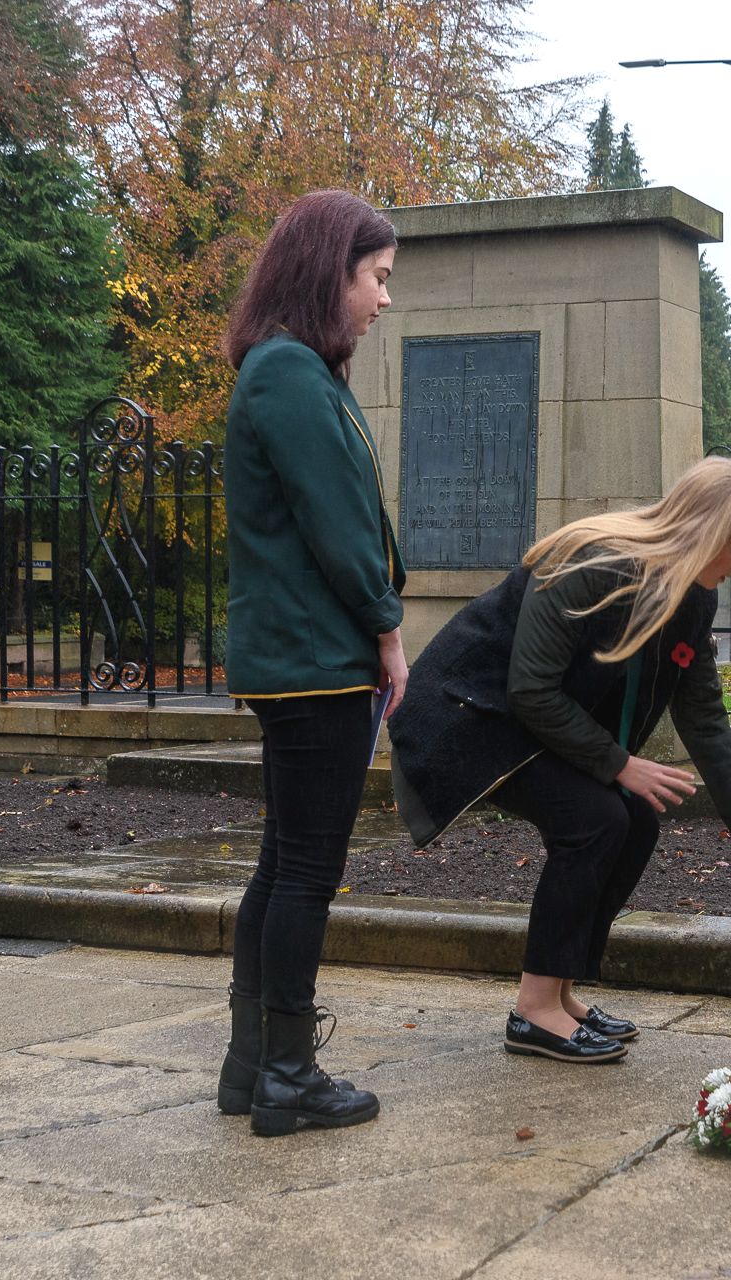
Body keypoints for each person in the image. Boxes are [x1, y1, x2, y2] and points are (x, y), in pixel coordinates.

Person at [390, 458, 731, 1063]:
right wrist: (619, 764)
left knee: (635, 821)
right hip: (467, 718)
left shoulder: (692, 596)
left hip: (526, 722)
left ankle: (558, 992)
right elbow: (531, 690)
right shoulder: (589, 564)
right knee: (596, 819)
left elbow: (704, 716)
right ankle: (534, 1011)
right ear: (706, 532)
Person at [217, 190, 406, 1137]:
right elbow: (340, 525)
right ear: (331, 272)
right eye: (376, 278)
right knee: (305, 875)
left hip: (297, 658)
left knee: (281, 866)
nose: (383, 300)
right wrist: (387, 629)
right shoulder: (290, 372)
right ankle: (288, 1075)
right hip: (315, 662)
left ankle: (254, 1064)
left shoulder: (286, 367)